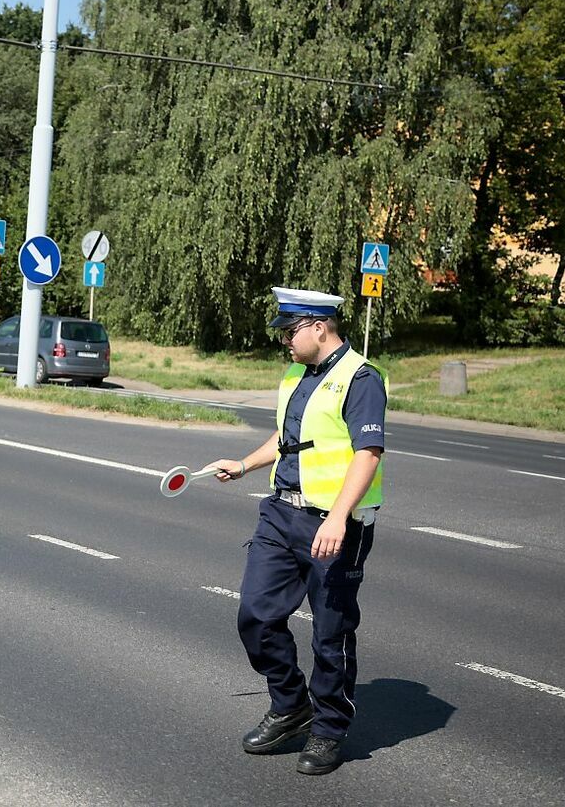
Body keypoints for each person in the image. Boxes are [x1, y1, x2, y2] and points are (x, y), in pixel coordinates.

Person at [202, 286, 386, 776]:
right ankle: (290, 705)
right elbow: (288, 440)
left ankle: (328, 730)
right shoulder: (296, 373)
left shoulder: (361, 378)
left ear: (318, 327)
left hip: (333, 523)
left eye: (290, 331)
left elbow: (367, 455)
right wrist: (243, 464)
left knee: (331, 633)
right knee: (256, 616)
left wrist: (338, 516)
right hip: (280, 514)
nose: (285, 340)